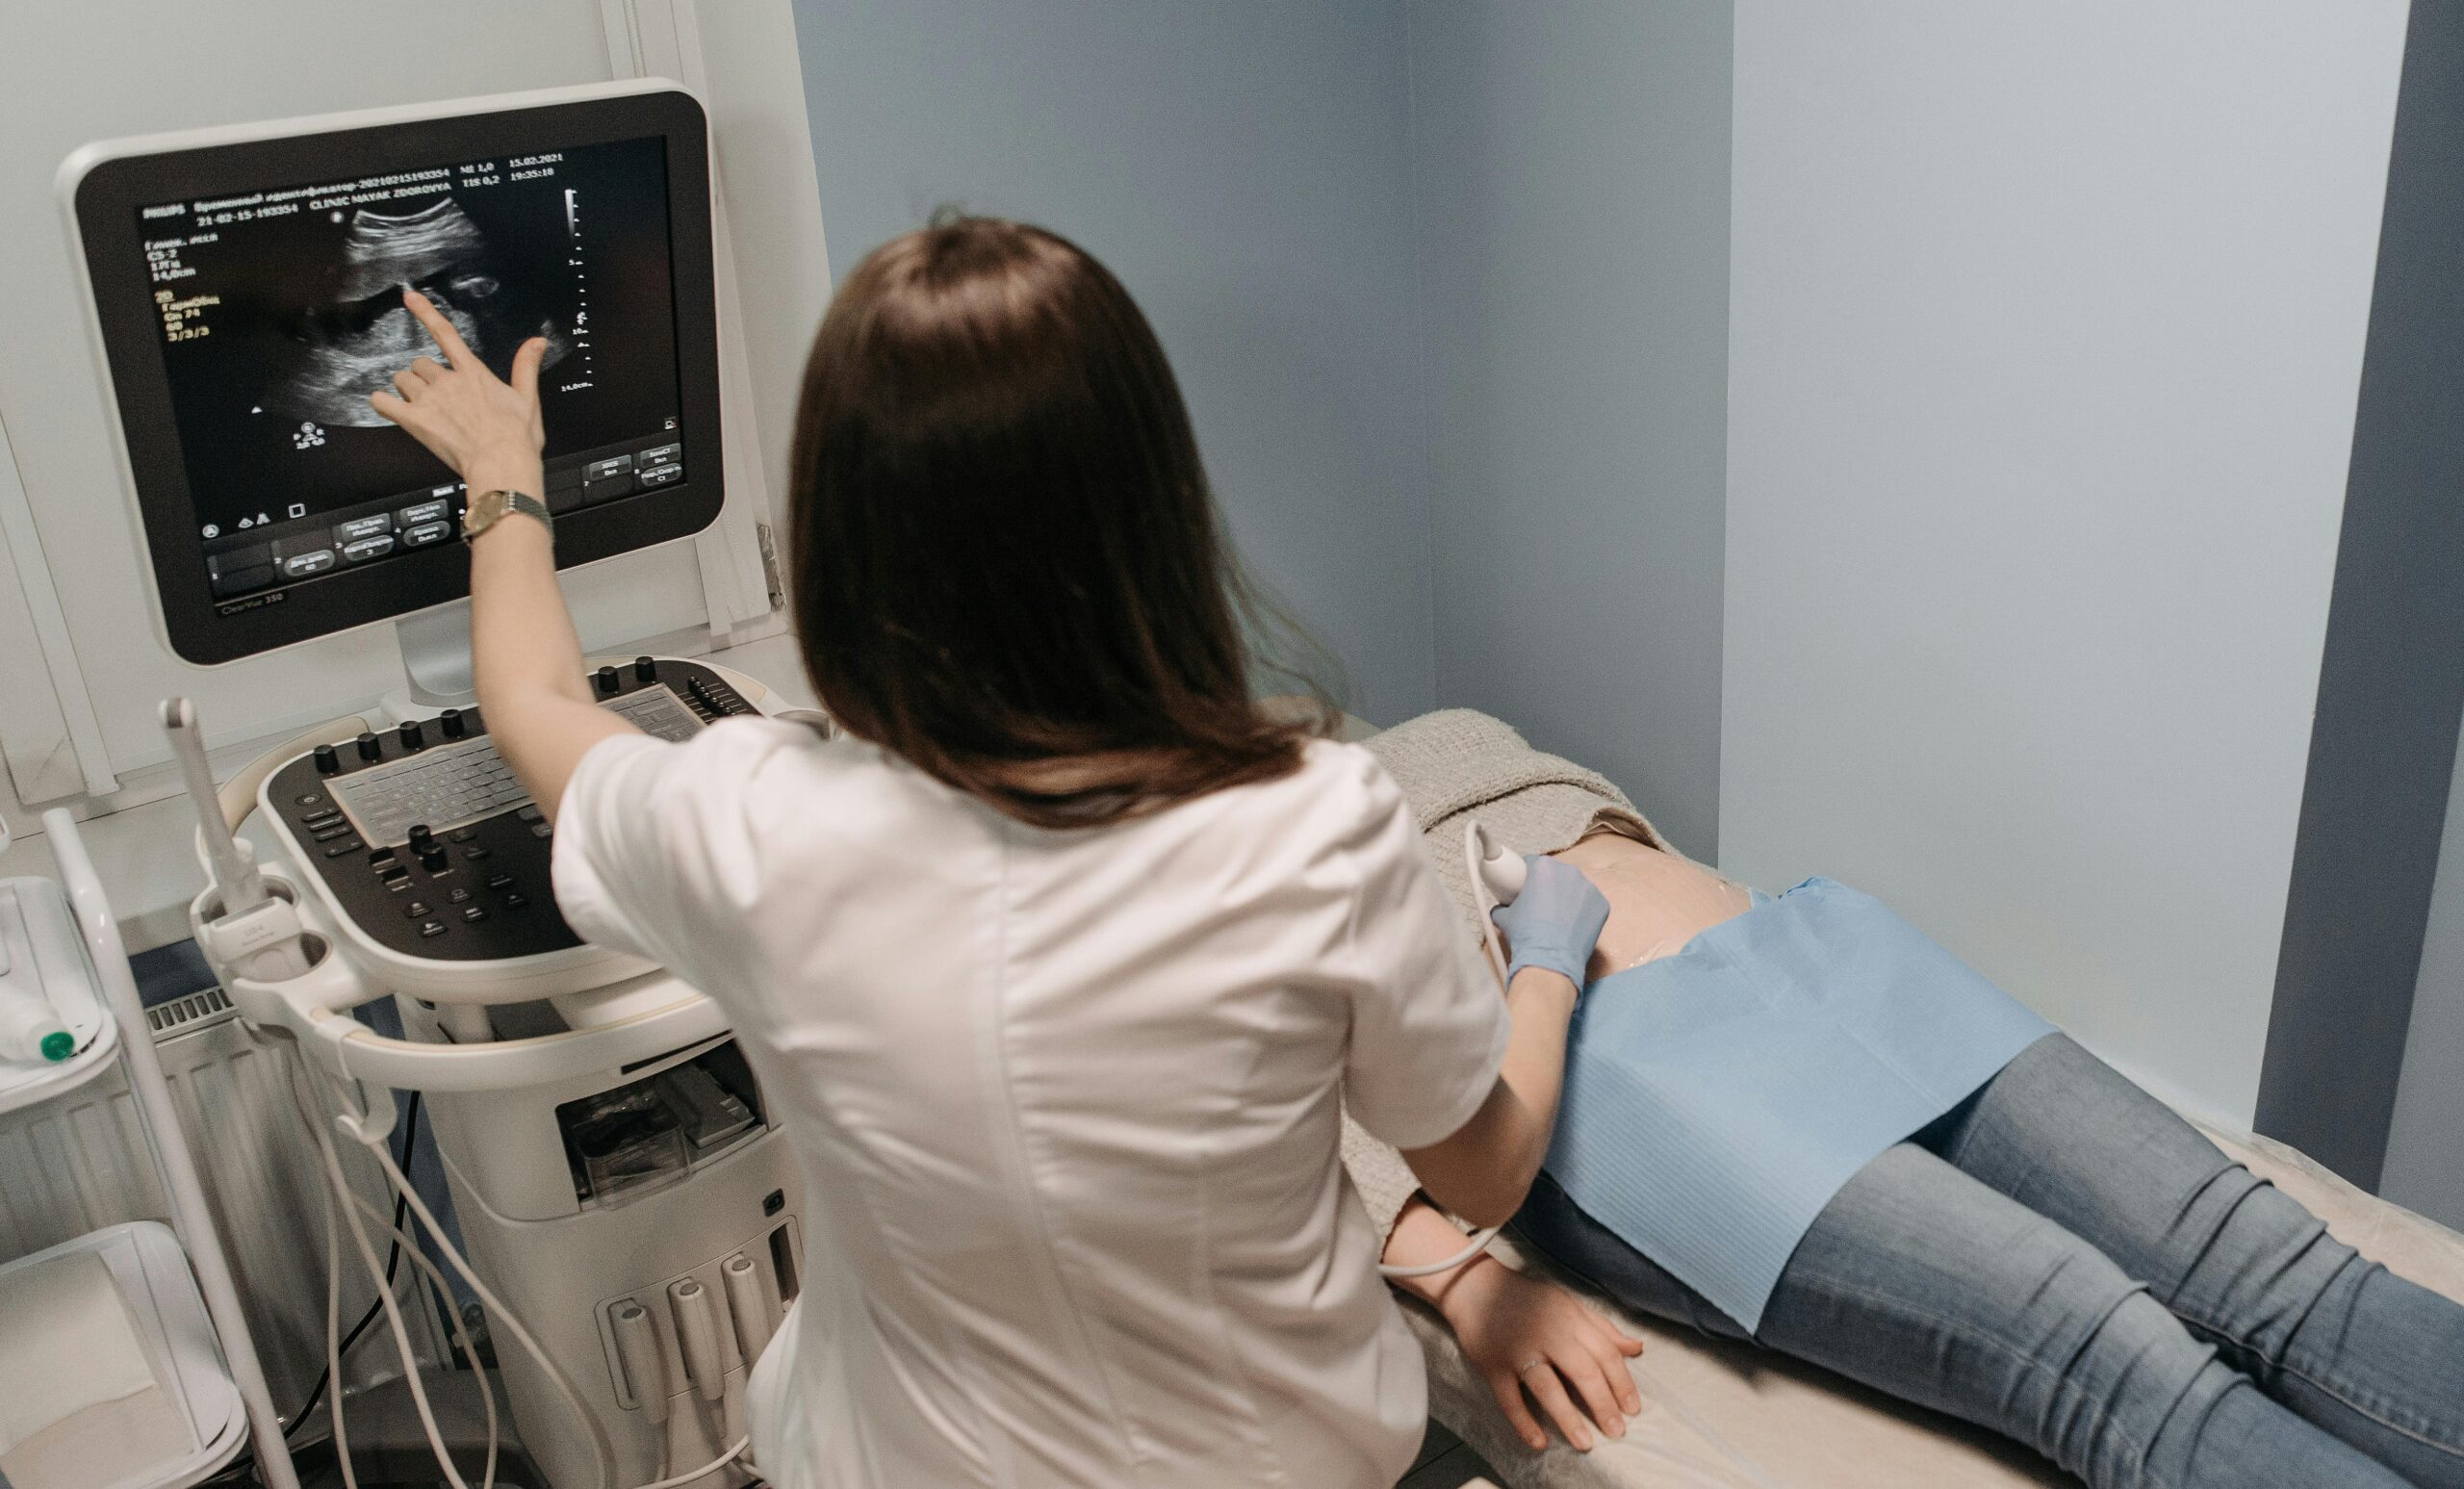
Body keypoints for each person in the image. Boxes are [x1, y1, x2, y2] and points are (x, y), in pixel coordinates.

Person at [367, 218, 1614, 1489]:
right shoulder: (1316, 821)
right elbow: (1484, 1166)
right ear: (1154, 511)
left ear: (839, 545)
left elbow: (531, 703)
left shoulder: (752, 826)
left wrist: (505, 477)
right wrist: (1546, 964)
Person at [1345, 709, 2464, 1489]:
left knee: (2268, 1257)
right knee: (2106, 1348)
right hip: (1614, 1078)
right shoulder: (1223, 873)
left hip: (1802, 948)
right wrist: (1470, 1285)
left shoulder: (1422, 734)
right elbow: (1291, 1128)